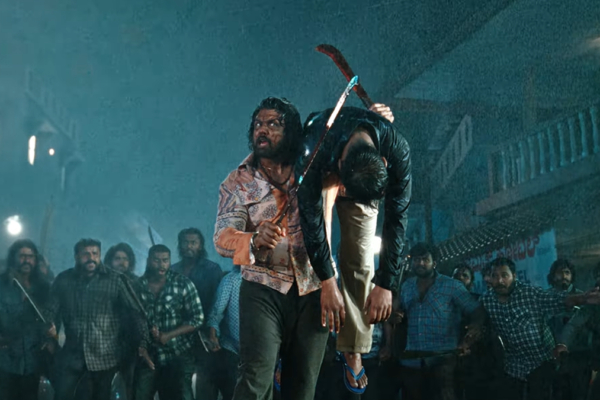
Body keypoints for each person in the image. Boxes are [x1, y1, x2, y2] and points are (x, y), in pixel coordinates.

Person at [214, 97, 329, 400]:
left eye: (273, 124)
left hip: (313, 287)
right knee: (255, 379)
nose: (262, 130)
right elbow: (222, 237)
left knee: (303, 385)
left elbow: (356, 173)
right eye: (257, 124)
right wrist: (252, 238)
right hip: (262, 288)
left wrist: (375, 127)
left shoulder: (313, 165)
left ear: (290, 131)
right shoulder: (238, 180)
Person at [297, 104, 411, 391]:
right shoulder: (313, 148)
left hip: (361, 174)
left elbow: (397, 221)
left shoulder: (397, 149)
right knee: (309, 255)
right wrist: (328, 281)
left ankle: (354, 347)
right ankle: (293, 349)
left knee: (360, 260)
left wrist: (385, 284)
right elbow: (312, 224)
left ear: (383, 162)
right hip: (320, 171)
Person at [44, 238, 150, 400]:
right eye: (86, 254)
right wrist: (50, 330)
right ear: (77, 256)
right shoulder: (64, 279)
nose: (91, 258)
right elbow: (50, 310)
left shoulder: (115, 280)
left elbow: (137, 313)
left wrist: (143, 343)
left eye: (95, 253)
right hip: (72, 354)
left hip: (105, 356)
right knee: (63, 395)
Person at [483, 257, 600, 400]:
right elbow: (478, 318)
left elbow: (559, 301)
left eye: (504, 275)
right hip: (514, 365)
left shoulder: (529, 293)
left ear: (513, 276)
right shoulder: (487, 300)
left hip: (542, 360)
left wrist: (583, 298)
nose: (500, 281)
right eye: (495, 276)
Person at [397, 243, 483, 400]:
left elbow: (476, 310)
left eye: (425, 259)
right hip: (412, 360)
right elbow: (400, 313)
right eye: (416, 260)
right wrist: (397, 315)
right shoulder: (406, 286)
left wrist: (472, 332)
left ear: (434, 263)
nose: (420, 263)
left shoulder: (452, 286)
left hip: (443, 360)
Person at [132, 244, 204, 400]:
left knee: (180, 396)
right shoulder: (138, 286)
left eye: (165, 260)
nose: (161, 265)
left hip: (178, 353)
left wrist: (169, 335)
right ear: (149, 261)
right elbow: (132, 321)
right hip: (148, 355)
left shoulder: (182, 283)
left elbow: (198, 318)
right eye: (157, 260)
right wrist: (142, 344)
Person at [171, 227, 222, 400]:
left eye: (193, 242)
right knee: (179, 380)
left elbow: (217, 303)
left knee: (205, 381)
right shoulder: (173, 270)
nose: (189, 246)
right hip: (179, 333)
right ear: (180, 245)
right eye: (185, 242)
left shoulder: (212, 269)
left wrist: (213, 331)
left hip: (204, 332)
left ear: (200, 245)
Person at [0, 239, 53, 400]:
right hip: (5, 358)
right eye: (22, 256)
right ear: (14, 258)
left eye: (30, 256)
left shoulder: (43, 287)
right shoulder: (2, 285)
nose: (26, 260)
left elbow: (50, 317)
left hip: (33, 360)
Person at [104, 242, 139, 400]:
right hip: (105, 342)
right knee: (104, 386)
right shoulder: (102, 282)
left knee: (130, 385)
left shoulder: (137, 283)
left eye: (125, 259)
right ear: (110, 261)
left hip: (130, 343)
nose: (122, 262)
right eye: (117, 258)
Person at [206, 265, 243, 400]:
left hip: (260, 351)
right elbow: (215, 313)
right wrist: (213, 336)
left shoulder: (268, 280)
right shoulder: (231, 280)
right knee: (232, 392)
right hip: (231, 347)